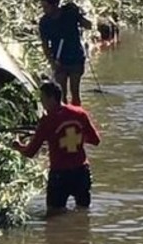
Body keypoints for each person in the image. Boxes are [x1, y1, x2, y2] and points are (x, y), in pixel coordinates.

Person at [16, 81, 102, 215]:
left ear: (51, 98)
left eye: (43, 99)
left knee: (53, 215)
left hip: (60, 174)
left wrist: (17, 146)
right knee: (84, 213)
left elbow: (30, 152)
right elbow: (95, 140)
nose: (42, 103)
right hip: (81, 172)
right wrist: (77, 137)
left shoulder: (48, 120)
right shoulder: (80, 113)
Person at [37, 0, 93, 105]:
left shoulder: (70, 13)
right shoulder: (44, 22)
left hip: (75, 57)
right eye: (43, 7)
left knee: (75, 91)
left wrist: (78, 14)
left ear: (55, 5)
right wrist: (52, 62)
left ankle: (77, 116)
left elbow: (88, 25)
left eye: (46, 7)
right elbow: (45, 44)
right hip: (59, 60)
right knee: (61, 93)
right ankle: (63, 116)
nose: (44, 10)